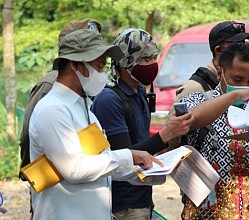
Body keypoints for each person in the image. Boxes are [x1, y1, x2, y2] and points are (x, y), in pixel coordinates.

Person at [29, 29, 164, 220]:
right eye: (99, 67)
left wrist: (145, 172)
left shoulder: (84, 108)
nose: (103, 74)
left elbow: (101, 162)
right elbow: (74, 169)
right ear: (76, 65)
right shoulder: (52, 110)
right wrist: (129, 156)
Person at [91, 28, 193, 220]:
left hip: (143, 196)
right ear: (126, 63)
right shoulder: (109, 100)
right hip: (123, 204)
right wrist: (166, 134)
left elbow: (142, 146)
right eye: (145, 59)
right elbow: (124, 158)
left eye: (154, 57)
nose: (153, 64)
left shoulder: (138, 91)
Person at [179, 43, 249, 219]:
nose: (245, 87)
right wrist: (235, 95)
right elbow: (191, 120)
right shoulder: (198, 100)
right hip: (208, 213)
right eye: (237, 80)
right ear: (220, 74)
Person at [19, 18, 102, 180]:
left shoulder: (83, 88)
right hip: (53, 182)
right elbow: (29, 137)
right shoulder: (50, 86)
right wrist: (34, 178)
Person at [167, 21, 249, 149]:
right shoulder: (195, 87)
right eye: (236, 45)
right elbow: (173, 135)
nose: (242, 49)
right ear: (218, 50)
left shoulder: (248, 82)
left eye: (244, 44)